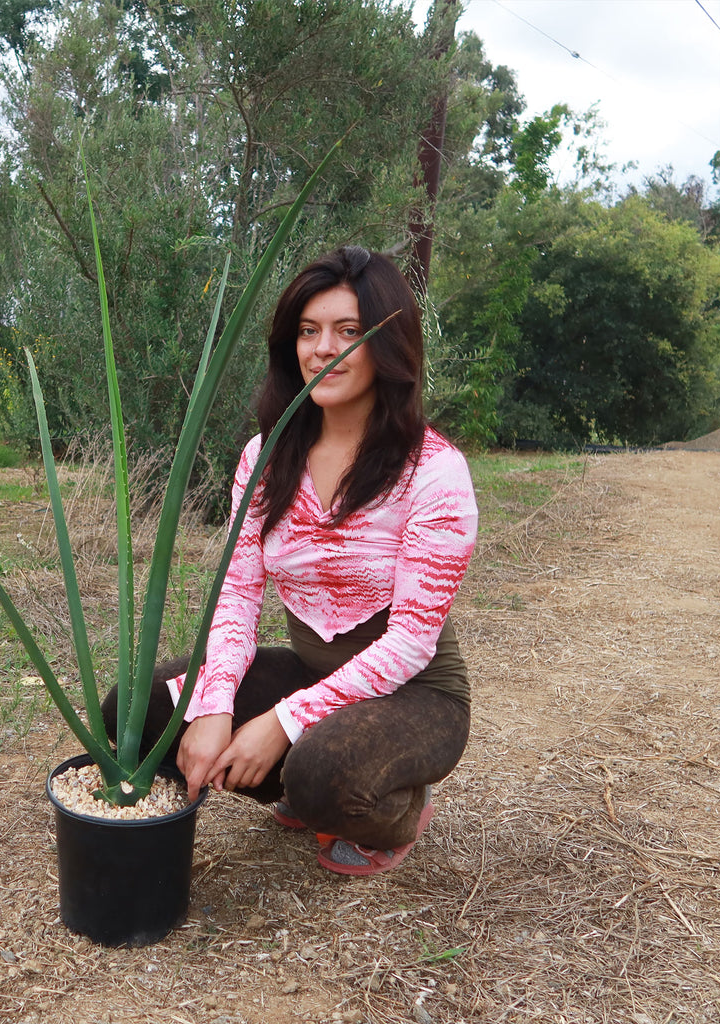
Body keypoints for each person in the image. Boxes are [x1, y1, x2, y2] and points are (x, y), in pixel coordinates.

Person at [102, 246, 478, 875]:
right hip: (311, 673)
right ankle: (311, 782)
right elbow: (237, 593)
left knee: (321, 772)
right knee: (135, 711)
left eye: (348, 332)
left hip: (417, 695)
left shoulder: (433, 470)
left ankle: (396, 807)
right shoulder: (265, 459)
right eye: (308, 331)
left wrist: (282, 721)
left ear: (389, 346)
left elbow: (413, 642)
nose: (321, 348)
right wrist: (216, 706)